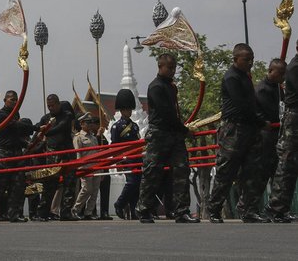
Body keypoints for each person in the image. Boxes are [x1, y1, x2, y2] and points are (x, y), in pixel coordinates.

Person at [207, 43, 270, 223]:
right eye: (246, 59)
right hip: (234, 129)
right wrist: (260, 121)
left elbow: (251, 104)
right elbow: (241, 106)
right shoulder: (231, 77)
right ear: (235, 59)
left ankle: (248, 209)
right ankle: (214, 209)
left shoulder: (245, 77)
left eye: (252, 59)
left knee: (252, 170)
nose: (250, 62)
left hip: (250, 129)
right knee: (226, 171)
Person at [137, 52, 198, 223]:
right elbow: (166, 114)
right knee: (152, 172)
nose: (172, 71)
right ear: (160, 67)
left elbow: (174, 114)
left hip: (174, 134)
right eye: (169, 68)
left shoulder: (171, 87)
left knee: (181, 170)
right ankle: (144, 209)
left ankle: (181, 210)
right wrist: (184, 130)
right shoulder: (156, 87)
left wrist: (181, 130)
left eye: (174, 68)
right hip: (159, 134)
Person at [0, 90, 34, 222]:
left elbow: (18, 133)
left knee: (18, 185)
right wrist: (33, 127)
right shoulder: (1, 114)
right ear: (5, 100)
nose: (14, 102)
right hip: (4, 153)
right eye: (12, 99)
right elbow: (15, 126)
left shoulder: (16, 113)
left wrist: (26, 142)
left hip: (16, 152)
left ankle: (14, 214)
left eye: (16, 100)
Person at [266, 49, 298, 222]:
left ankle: (281, 208)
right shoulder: (294, 67)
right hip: (294, 119)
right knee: (287, 164)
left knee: (291, 166)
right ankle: (276, 207)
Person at [36, 94, 76, 221]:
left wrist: (45, 131)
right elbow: (37, 136)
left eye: (53, 105)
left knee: (69, 184)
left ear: (59, 104)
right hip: (52, 154)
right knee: (50, 185)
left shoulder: (66, 115)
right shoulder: (45, 119)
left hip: (67, 152)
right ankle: (43, 212)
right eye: (49, 106)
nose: (51, 108)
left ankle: (66, 212)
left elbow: (59, 128)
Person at [110, 89, 141, 219]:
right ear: (121, 110)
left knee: (137, 184)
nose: (129, 111)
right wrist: (118, 162)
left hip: (137, 158)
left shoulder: (134, 126)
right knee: (132, 183)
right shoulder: (116, 127)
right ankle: (119, 203)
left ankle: (134, 211)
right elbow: (114, 146)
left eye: (130, 109)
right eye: (126, 109)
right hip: (126, 158)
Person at [255, 58, 285, 191]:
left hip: (277, 135)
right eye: (280, 74)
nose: (283, 77)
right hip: (265, 137)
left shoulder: (278, 88)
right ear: (271, 71)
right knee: (262, 174)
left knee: (278, 174)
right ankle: (251, 208)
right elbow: (267, 113)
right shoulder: (261, 89)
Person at [71, 114, 101, 220]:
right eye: (87, 122)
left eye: (90, 122)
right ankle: (76, 209)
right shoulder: (78, 137)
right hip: (85, 166)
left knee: (94, 191)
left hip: (96, 166)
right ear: (82, 124)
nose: (90, 125)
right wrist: (80, 167)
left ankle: (89, 212)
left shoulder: (93, 137)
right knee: (87, 189)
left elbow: (97, 152)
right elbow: (77, 153)